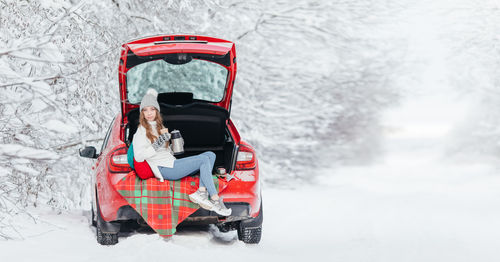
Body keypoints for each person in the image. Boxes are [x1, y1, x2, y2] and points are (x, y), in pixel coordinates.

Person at [132, 88, 231, 216]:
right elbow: (139, 157)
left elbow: (166, 152)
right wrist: (158, 143)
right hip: (163, 169)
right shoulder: (140, 132)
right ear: (142, 113)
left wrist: (176, 144)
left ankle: (201, 192)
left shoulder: (159, 127)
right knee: (203, 160)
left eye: (152, 109)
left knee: (210, 155)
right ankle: (215, 199)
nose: (149, 113)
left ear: (157, 111)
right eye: (145, 110)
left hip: (171, 163)